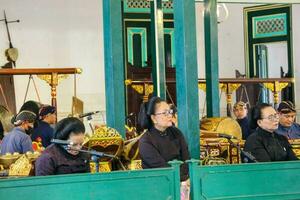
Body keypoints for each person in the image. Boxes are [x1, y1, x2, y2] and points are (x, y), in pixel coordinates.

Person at [138, 96, 190, 182]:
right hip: (158, 184)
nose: (170, 115)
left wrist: (185, 179)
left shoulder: (176, 132)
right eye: (165, 113)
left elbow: (186, 158)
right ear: (154, 118)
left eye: (170, 111)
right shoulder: (146, 141)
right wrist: (182, 179)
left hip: (183, 180)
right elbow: (162, 168)